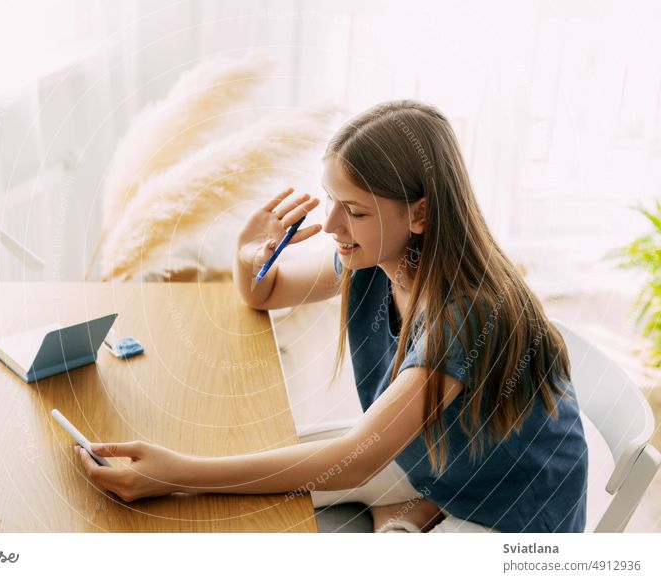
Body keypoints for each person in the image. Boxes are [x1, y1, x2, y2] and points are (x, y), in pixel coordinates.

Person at [77, 100, 588, 533]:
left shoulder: (466, 317)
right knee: (237, 486)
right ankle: (412, 507)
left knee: (227, 488)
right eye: (330, 201)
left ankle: (414, 512)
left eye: (355, 211)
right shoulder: (375, 258)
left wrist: (178, 475)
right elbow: (267, 292)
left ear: (420, 214)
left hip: (513, 512)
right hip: (437, 459)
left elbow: (356, 458)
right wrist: (248, 251)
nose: (331, 225)